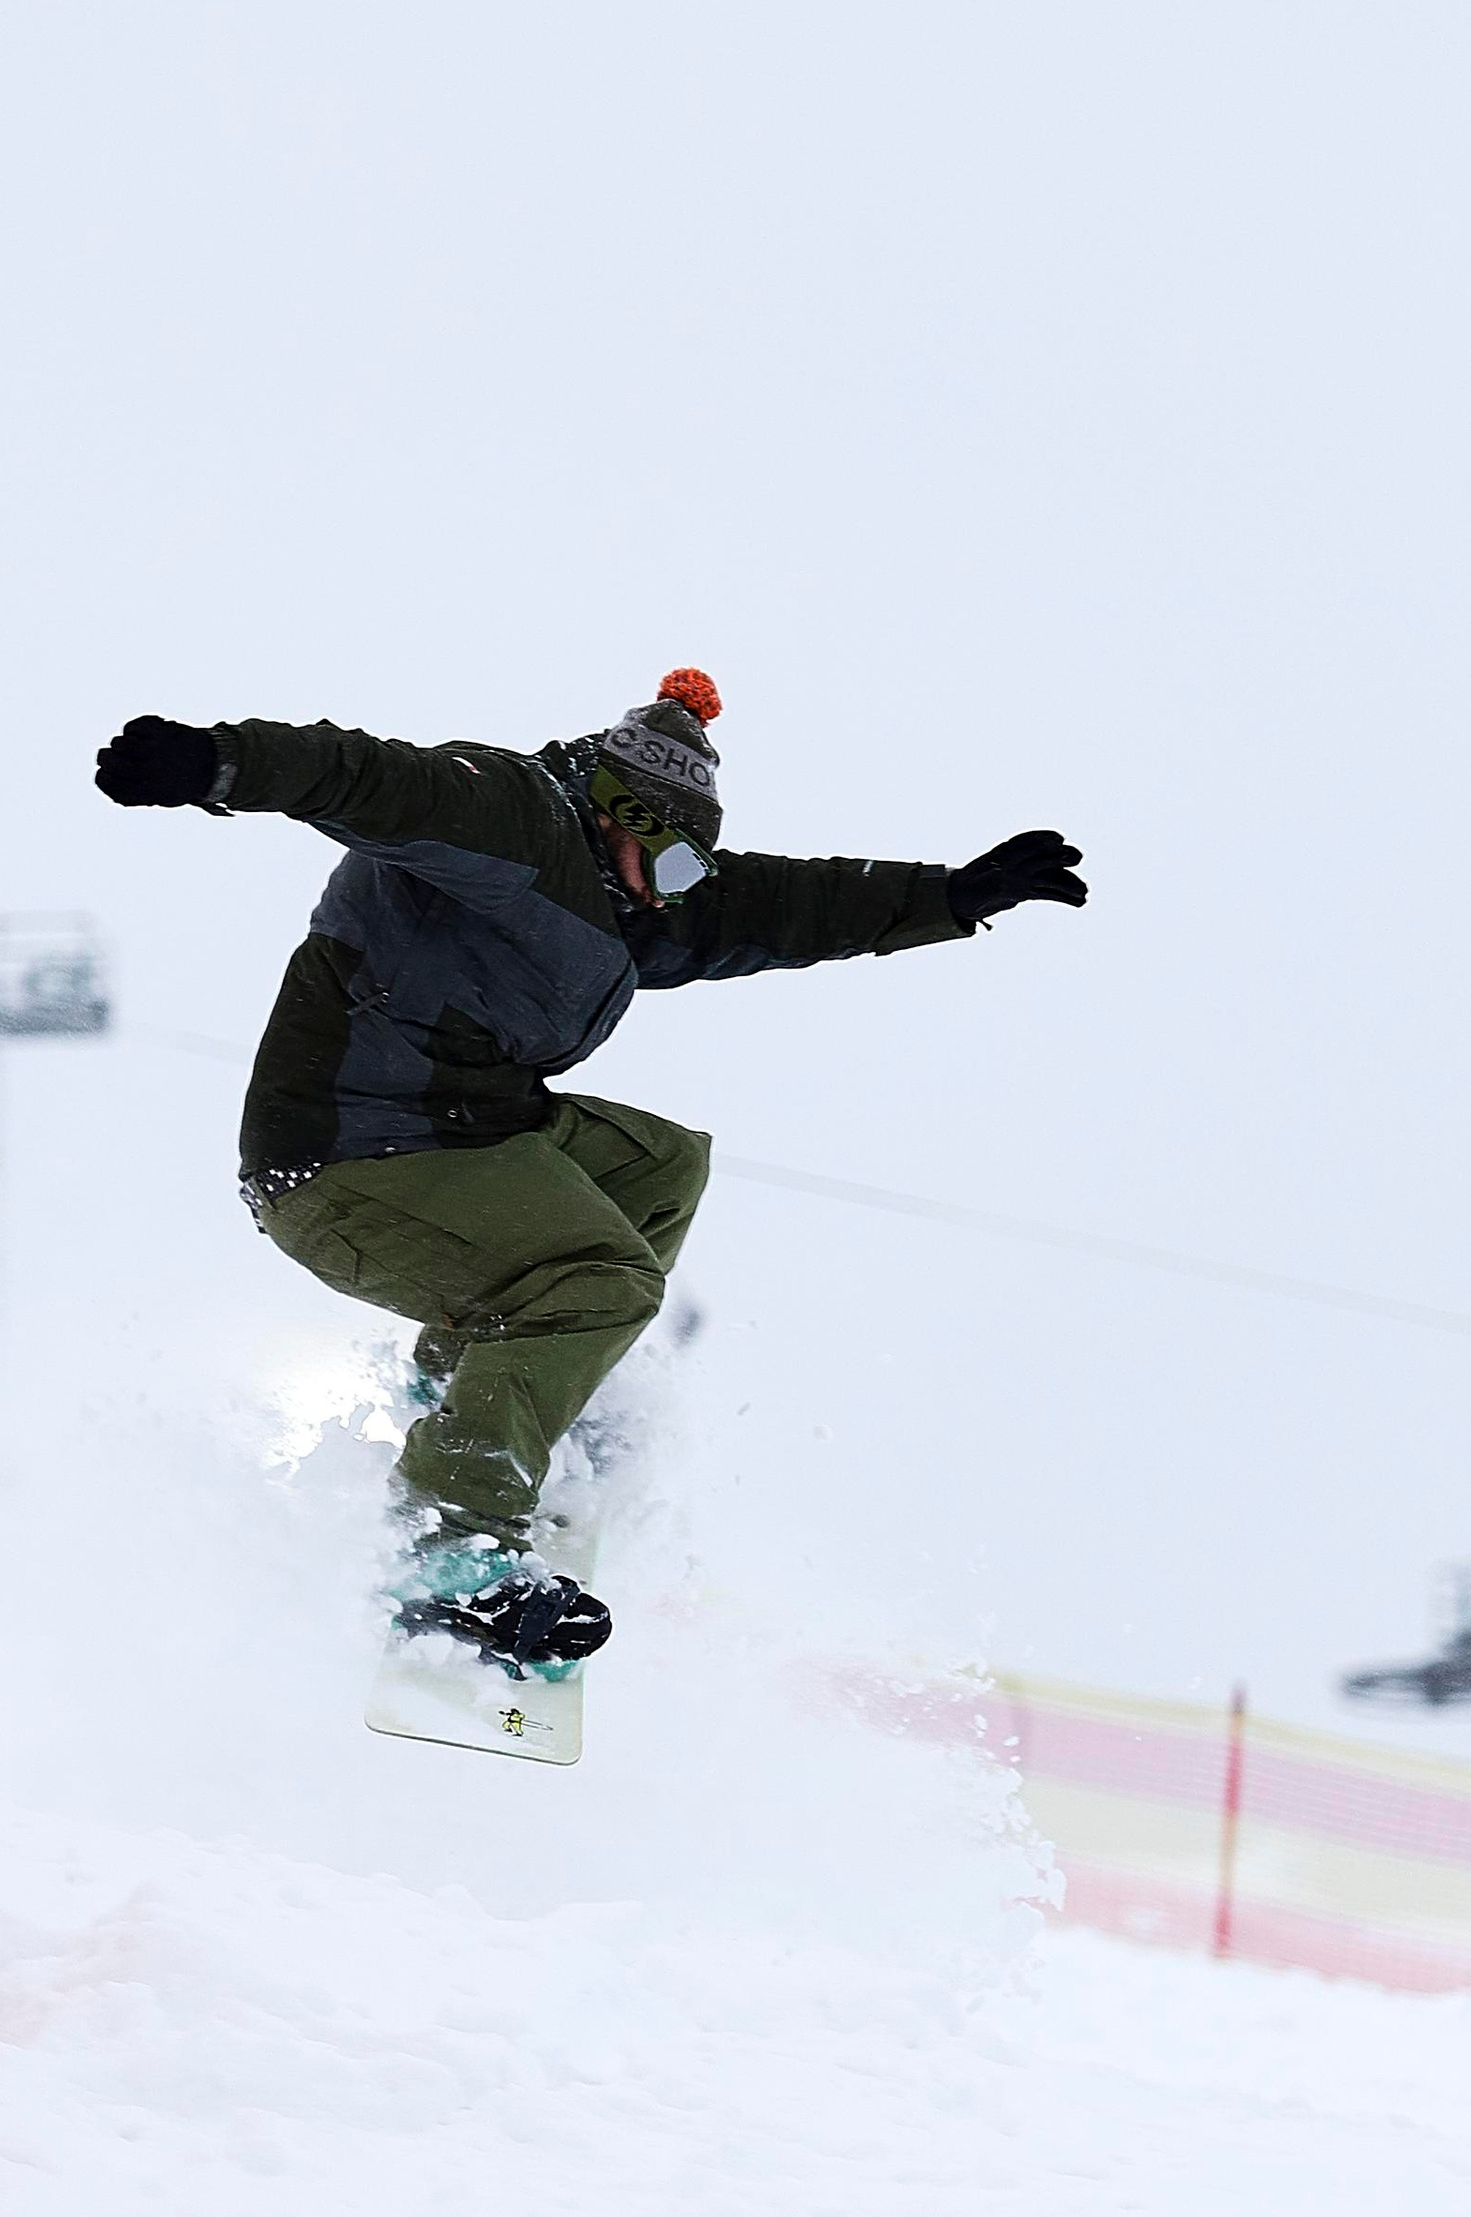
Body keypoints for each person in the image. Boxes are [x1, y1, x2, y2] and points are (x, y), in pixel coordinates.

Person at [95, 672, 1085, 1664]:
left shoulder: (635, 894)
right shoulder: (507, 815)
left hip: (456, 1130)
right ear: (617, 810)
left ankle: (480, 1396)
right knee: (599, 1284)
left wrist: (949, 896)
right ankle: (448, 1555)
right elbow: (363, 777)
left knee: (658, 1167)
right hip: (340, 1158)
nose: (673, 893)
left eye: (692, 875)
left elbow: (781, 905)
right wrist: (217, 763)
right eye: (668, 863)